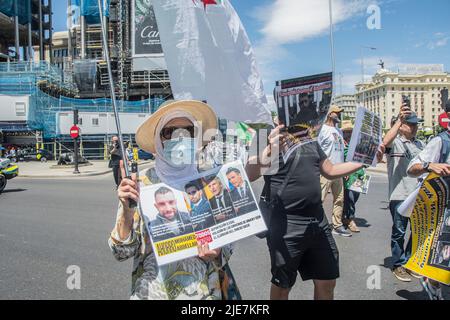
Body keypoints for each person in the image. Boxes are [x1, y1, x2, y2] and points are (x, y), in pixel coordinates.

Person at [109, 100, 241, 300]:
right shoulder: (141, 184)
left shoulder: (211, 181)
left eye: (187, 130)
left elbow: (227, 248)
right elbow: (121, 252)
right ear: (158, 139)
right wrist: (127, 211)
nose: (180, 137)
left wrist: (218, 251)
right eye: (170, 132)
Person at [246, 123, 365, 300]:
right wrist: (270, 149)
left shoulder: (308, 137)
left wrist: (362, 161)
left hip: (318, 222)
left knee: (327, 281)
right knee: (283, 285)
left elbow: (330, 171)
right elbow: (249, 174)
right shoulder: (266, 135)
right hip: (285, 225)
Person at [406, 102, 450, 300]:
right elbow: (412, 167)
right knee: (443, 254)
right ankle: (431, 282)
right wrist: (429, 165)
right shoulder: (441, 141)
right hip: (443, 206)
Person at [383, 104, 425, 282]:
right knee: (399, 231)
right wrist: (398, 122)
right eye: (412, 124)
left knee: (417, 231)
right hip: (399, 194)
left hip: (418, 195)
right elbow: (385, 141)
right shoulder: (396, 142)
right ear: (402, 126)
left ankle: (409, 262)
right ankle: (398, 264)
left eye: (417, 124)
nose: (416, 127)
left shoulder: (420, 143)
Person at [318, 106, 352, 237]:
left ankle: (337, 225)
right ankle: (317, 224)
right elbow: (317, 149)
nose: (339, 115)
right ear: (329, 114)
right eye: (336, 113)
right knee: (320, 199)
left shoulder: (339, 131)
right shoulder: (322, 130)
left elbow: (341, 152)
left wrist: (345, 169)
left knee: (339, 199)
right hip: (325, 171)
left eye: (339, 113)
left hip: (338, 171)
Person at [341, 121, 365, 233]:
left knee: (355, 197)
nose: (348, 134)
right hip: (347, 174)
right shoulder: (341, 144)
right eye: (346, 132)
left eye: (350, 131)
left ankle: (345, 216)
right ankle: (350, 220)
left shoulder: (358, 143)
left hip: (359, 174)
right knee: (349, 198)